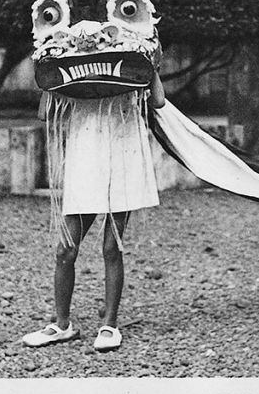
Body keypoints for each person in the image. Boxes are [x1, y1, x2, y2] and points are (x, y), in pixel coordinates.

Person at [21, 72, 166, 352]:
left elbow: (158, 100)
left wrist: (152, 62)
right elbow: (44, 113)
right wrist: (50, 67)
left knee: (112, 247)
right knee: (65, 249)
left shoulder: (132, 65)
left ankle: (109, 325)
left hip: (123, 151)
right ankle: (62, 324)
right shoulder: (72, 63)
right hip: (85, 156)